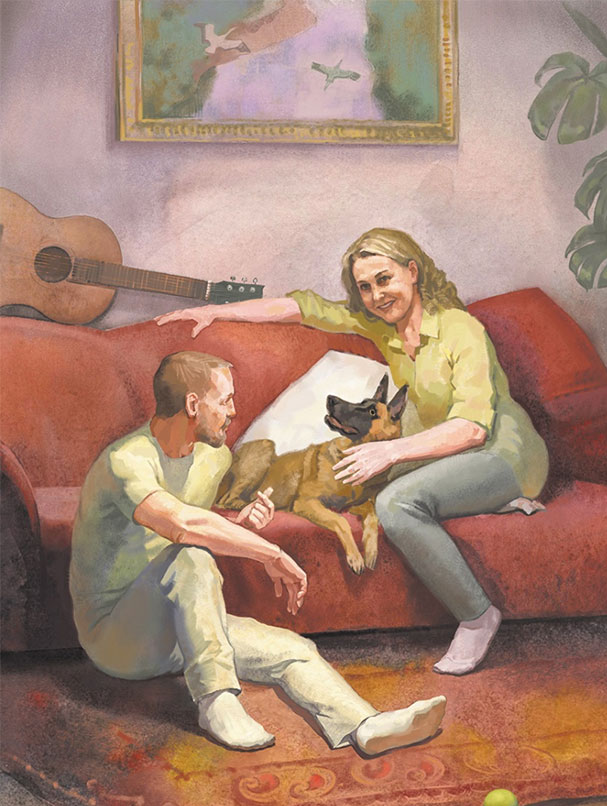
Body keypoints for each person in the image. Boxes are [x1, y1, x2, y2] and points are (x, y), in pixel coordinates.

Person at [157, 228, 550, 676]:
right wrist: (214, 310)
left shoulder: (461, 329)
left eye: (384, 279)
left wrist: (390, 453)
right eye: (365, 287)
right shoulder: (385, 326)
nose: (376, 296)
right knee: (367, 481)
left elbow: (473, 428)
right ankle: (487, 503)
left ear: (413, 271)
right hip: (447, 453)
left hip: (503, 454)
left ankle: (477, 615)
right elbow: (305, 308)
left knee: (395, 503)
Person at [69, 349, 447, 753]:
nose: (234, 412)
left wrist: (241, 526)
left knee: (293, 650)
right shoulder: (126, 460)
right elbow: (181, 527)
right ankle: (217, 702)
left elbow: (191, 539)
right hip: (117, 638)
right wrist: (270, 552)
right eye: (226, 401)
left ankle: (366, 727)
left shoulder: (214, 459)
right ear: (193, 405)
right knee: (191, 557)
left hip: (183, 626)